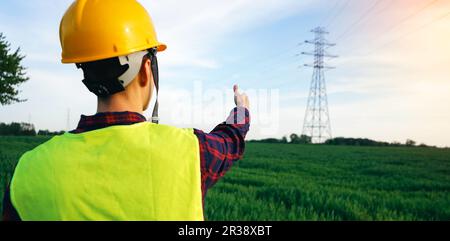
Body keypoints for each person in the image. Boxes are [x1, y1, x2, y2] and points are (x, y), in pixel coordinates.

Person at [2, 0, 249, 221]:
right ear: (145, 70)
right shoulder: (191, 152)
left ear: (87, 74)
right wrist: (241, 109)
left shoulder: (28, 170)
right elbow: (231, 139)